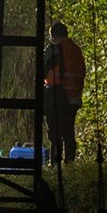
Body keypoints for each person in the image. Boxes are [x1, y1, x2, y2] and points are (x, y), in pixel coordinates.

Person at [42, 20, 85, 164]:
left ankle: (55, 164)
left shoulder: (54, 49)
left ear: (53, 36)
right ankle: (70, 162)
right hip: (74, 97)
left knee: (55, 134)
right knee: (68, 132)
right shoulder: (76, 49)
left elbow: (42, 70)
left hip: (57, 96)